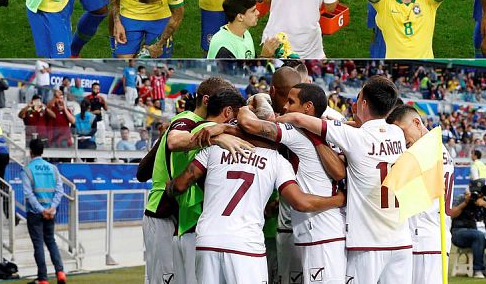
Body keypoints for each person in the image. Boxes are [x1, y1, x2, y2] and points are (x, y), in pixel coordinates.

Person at [167, 122, 345, 284]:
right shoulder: (276, 161)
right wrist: (338, 199)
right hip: (246, 245)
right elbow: (300, 202)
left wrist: (169, 187)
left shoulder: (214, 149)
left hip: (208, 240)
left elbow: (182, 183)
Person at [276, 76, 413, 284]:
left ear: (364, 103)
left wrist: (279, 119)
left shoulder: (354, 138)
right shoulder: (396, 134)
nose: (354, 103)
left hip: (368, 244)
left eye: (358, 98)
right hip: (401, 241)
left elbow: (301, 119)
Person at [237, 82, 348, 284]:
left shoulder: (294, 131)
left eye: (291, 101)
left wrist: (245, 107)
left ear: (308, 107)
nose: (286, 106)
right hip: (323, 228)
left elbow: (249, 124)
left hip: (321, 230)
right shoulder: (333, 127)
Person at [138, 77, 236, 284]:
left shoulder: (201, 124)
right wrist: (217, 135)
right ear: (208, 100)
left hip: (179, 213)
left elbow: (142, 171)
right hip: (161, 210)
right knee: (161, 279)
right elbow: (174, 141)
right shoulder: (187, 119)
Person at [387, 104, 455, 284]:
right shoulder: (438, 148)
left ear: (416, 122)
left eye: (402, 131)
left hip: (424, 239)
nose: (400, 138)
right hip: (434, 236)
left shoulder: (422, 152)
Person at [22, 138, 67, 284]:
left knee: (38, 244)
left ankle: (43, 278)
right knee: (51, 241)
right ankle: (60, 272)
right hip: (51, 212)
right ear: (43, 151)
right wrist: (52, 208)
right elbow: (60, 190)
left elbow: (28, 194)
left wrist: (41, 210)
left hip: (35, 213)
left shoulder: (28, 169)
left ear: (31, 152)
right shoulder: (52, 168)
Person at [450, 180, 486, 278]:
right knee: (478, 235)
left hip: (479, 231)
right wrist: (465, 203)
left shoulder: (484, 200)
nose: (478, 195)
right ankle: (478, 270)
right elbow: (451, 214)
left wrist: (484, 204)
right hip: (459, 232)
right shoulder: (462, 198)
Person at [207, 0, 278, 59]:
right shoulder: (223, 45)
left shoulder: (245, 34)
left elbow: (251, 64)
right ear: (240, 17)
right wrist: (264, 56)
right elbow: (233, 73)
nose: (258, 13)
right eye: (253, 11)